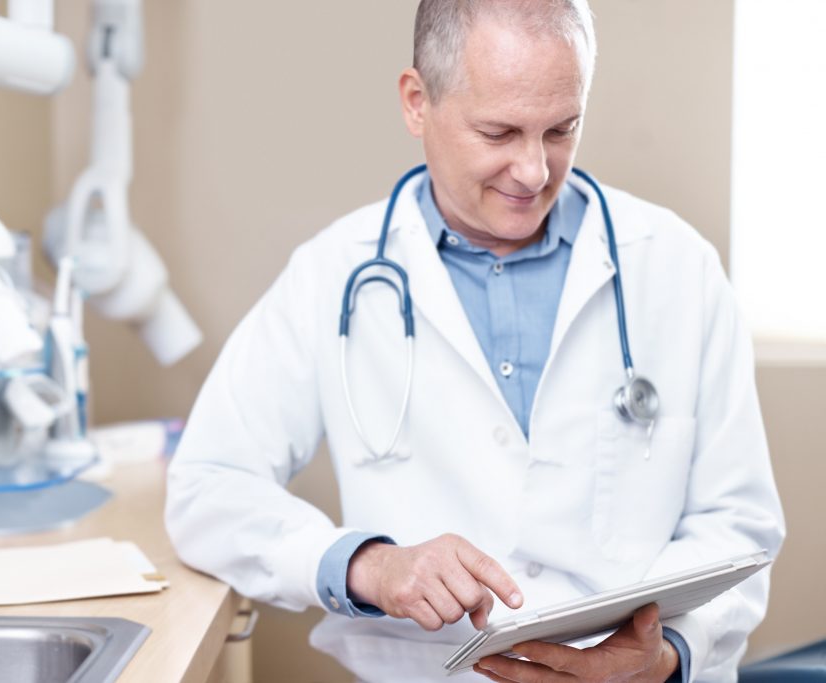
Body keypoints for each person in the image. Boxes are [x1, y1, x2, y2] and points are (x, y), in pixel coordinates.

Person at [165, 1, 785, 681]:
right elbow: (207, 488)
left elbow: (741, 523)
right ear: (416, 102)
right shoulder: (332, 274)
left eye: (561, 129)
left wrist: (666, 655)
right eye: (499, 131)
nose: (532, 171)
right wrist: (370, 564)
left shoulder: (676, 265)